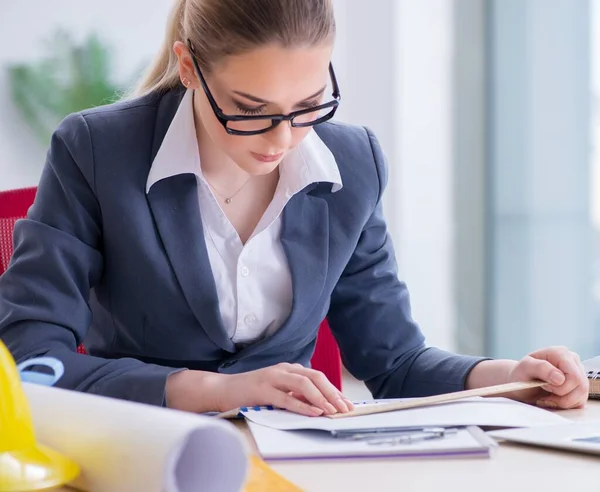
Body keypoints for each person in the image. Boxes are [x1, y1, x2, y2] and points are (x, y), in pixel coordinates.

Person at [0, 0, 589, 416]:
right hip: (148, 453)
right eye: (251, 109)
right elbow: (29, 359)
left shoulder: (353, 162)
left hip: (303, 466)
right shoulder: (98, 150)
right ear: (188, 67)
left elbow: (396, 362)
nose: (283, 139)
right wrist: (216, 390)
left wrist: (507, 379)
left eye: (309, 105)